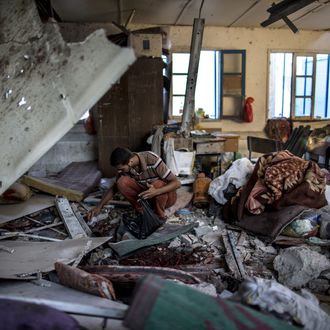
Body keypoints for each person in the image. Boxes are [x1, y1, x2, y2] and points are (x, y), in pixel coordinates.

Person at [87, 147, 181, 221]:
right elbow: (114, 188)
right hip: (148, 198)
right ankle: (143, 212)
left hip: (167, 198)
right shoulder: (126, 167)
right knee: (121, 182)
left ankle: (159, 217)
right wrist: (99, 207)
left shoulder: (152, 159)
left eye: (121, 169)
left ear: (130, 162)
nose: (119, 171)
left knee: (157, 184)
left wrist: (156, 192)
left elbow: (177, 183)